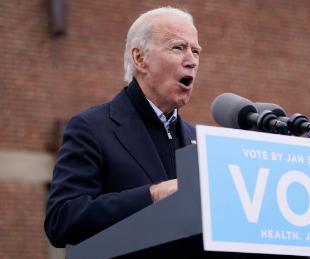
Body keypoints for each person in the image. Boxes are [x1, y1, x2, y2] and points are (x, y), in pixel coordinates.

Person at [44, 6, 201, 248]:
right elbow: (62, 219)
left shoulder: (197, 140)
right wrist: (153, 195)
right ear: (140, 59)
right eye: (178, 47)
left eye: (196, 51)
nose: (191, 61)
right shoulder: (92, 128)